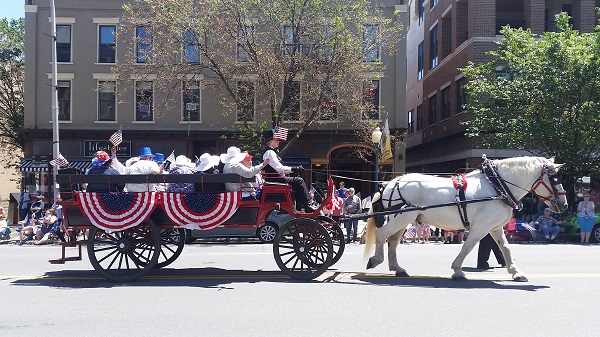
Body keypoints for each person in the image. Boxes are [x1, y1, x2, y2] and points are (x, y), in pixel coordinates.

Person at [262, 129, 313, 212]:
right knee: (299, 181)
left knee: (296, 180)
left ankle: (298, 207)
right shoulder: (269, 153)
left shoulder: (270, 152)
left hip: (275, 179)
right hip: (276, 180)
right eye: (276, 140)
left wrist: (293, 170)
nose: (278, 142)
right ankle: (307, 205)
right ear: (271, 141)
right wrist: (294, 168)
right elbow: (279, 168)